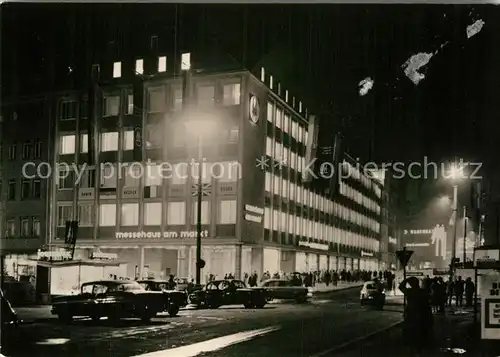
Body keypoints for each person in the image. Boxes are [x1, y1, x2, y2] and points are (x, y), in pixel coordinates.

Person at [398, 277, 434, 355]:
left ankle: (413, 351)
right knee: (420, 334)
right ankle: (419, 350)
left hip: (412, 315)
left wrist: (406, 280)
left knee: (411, 334)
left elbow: (401, 287)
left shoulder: (410, 291)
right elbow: (428, 303)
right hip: (422, 315)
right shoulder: (423, 292)